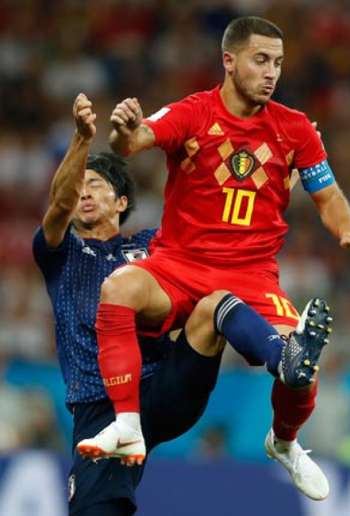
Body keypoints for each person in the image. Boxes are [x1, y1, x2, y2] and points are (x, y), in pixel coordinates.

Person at [79, 16, 350, 501]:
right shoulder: (193, 113)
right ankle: (127, 425)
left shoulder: (295, 129)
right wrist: (122, 133)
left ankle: (284, 443)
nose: (271, 73)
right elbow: (132, 143)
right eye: (261, 60)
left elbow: (327, 195)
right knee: (117, 288)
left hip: (252, 276)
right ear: (229, 60)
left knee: (300, 366)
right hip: (178, 265)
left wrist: (346, 232)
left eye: (278, 63)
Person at [32, 93, 229, 515]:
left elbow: (205, 232)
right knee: (95, 508)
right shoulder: (60, 253)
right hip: (99, 403)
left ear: (122, 203)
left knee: (215, 305)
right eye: (79, 187)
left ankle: (277, 353)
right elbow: (59, 206)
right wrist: (83, 139)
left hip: (162, 386)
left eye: (96, 186)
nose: (84, 195)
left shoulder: (149, 245)